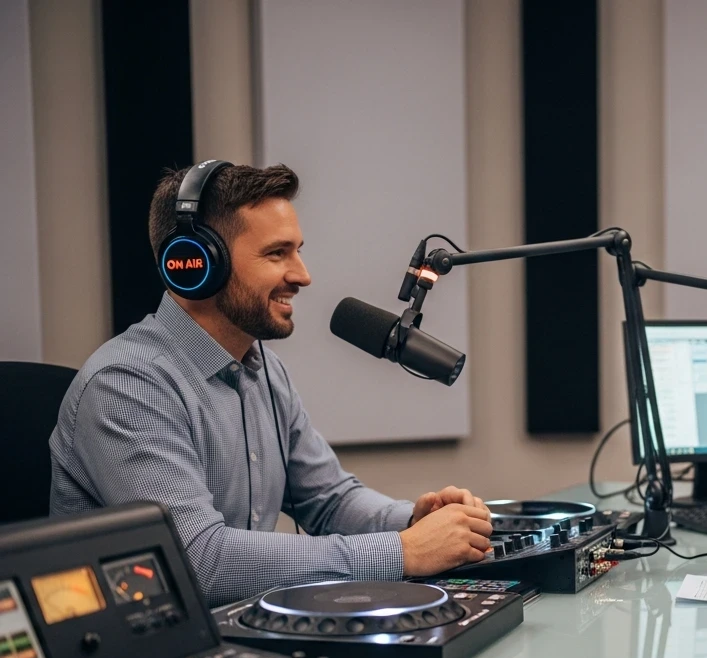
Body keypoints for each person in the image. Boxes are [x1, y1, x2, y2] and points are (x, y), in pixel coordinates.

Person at [50, 162, 492, 605]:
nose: (302, 275)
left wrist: (413, 519)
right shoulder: (128, 387)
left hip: (240, 638)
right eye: (277, 253)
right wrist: (402, 552)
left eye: (297, 251)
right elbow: (200, 563)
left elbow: (330, 499)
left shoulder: (263, 369)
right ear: (196, 262)